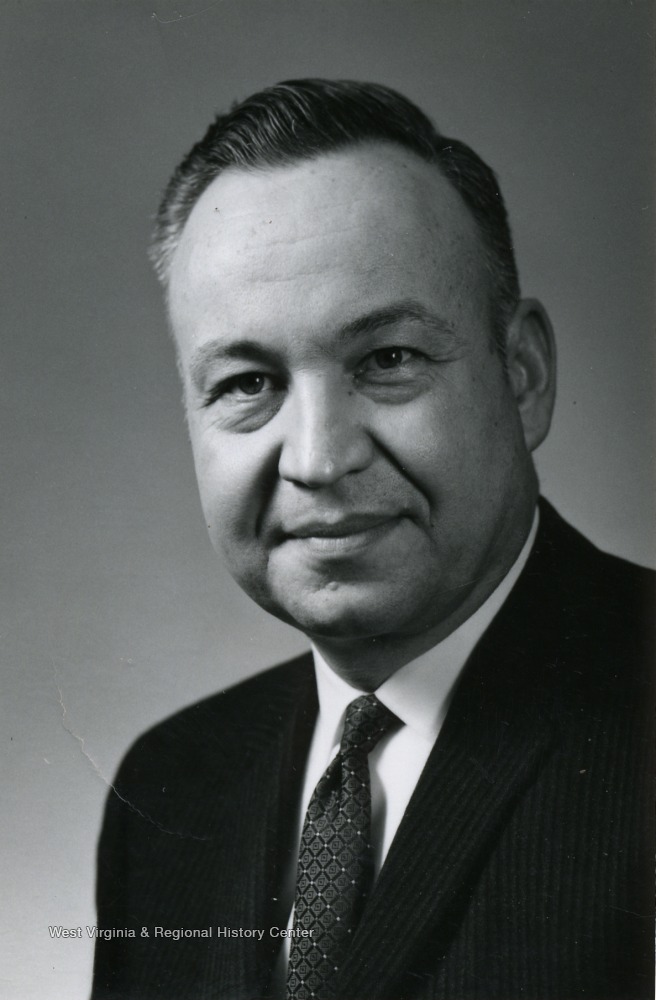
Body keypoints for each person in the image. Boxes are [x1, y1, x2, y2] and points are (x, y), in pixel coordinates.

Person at [91, 79, 654, 1000]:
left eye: (388, 360)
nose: (318, 459)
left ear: (523, 375)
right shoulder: (170, 786)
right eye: (247, 383)